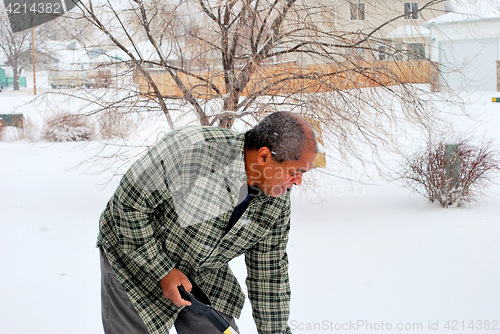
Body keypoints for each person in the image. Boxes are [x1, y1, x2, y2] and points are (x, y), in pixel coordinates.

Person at [97, 111, 318, 334]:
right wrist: (163, 271)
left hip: (202, 270)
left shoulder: (276, 200)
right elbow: (127, 206)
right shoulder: (192, 149)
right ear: (263, 157)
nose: (298, 181)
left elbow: (269, 275)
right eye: (294, 171)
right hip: (135, 256)